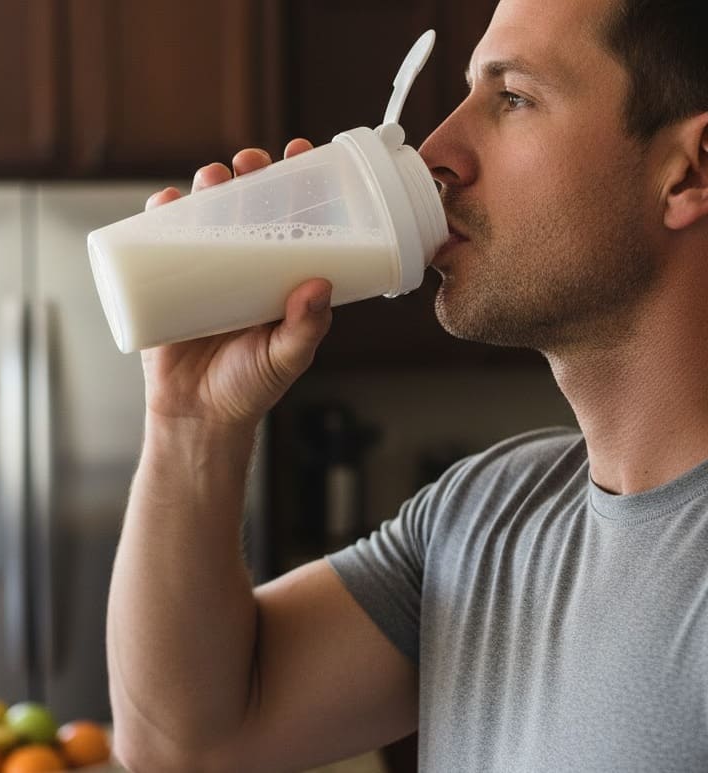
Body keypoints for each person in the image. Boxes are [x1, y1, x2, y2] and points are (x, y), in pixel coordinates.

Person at [105, 0, 708, 769]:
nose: (436, 151)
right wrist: (192, 420)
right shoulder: (486, 513)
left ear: (690, 169)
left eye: (513, 98)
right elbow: (182, 741)